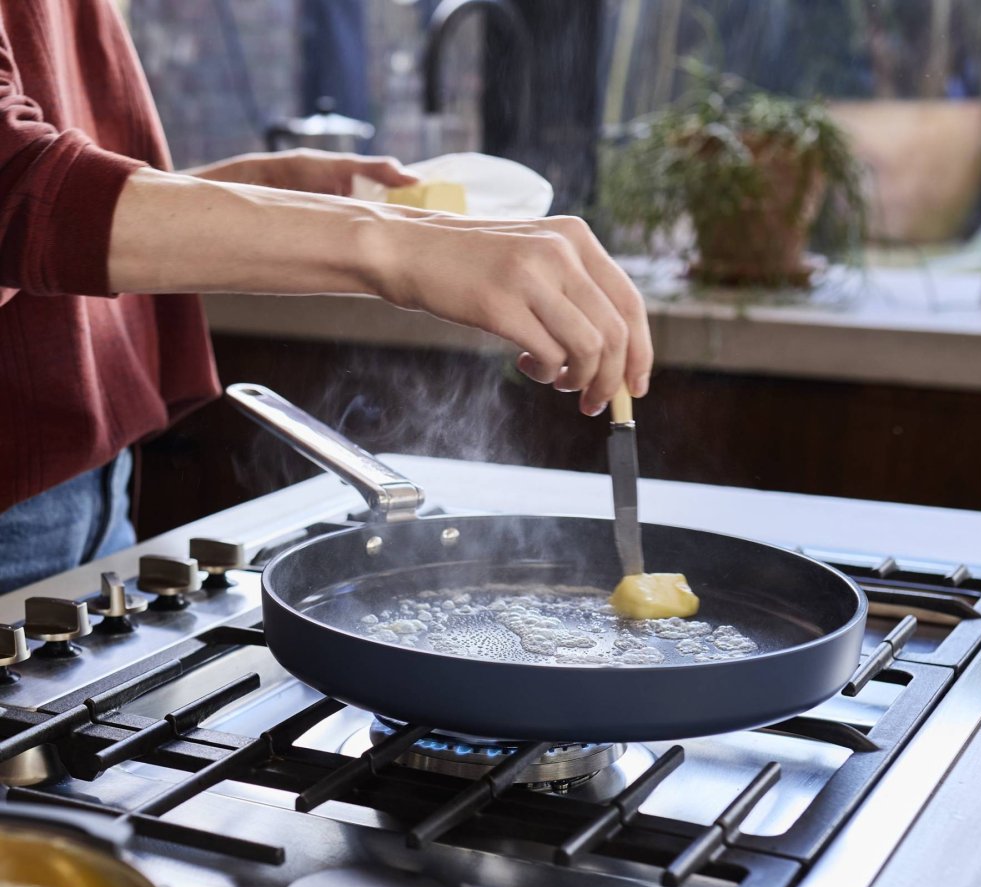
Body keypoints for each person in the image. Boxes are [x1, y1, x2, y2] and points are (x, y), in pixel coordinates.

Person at [0, 0, 652, 594]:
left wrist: (250, 189)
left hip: (93, 485)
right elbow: (18, 188)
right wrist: (394, 246)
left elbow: (50, 218)